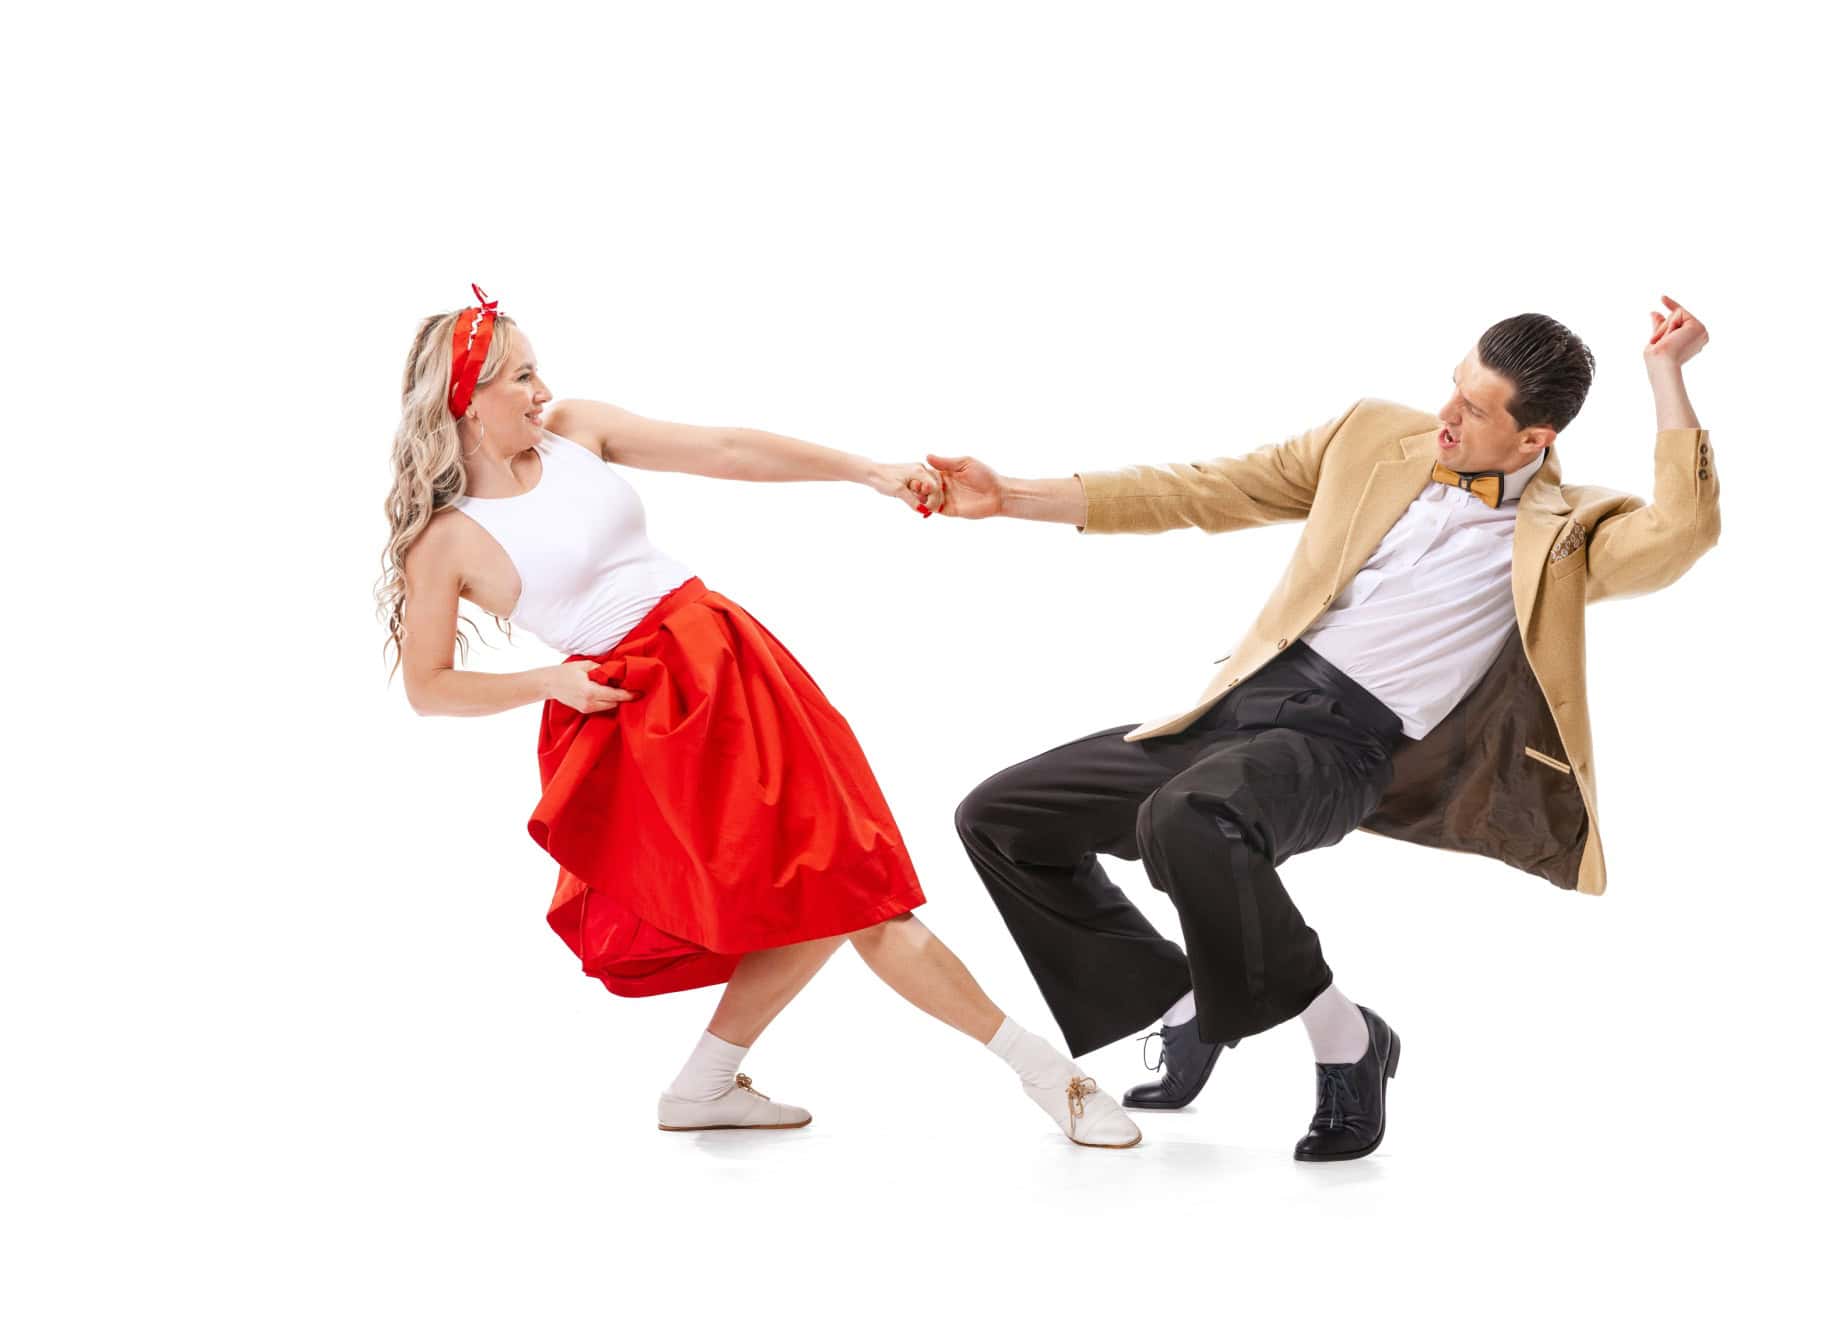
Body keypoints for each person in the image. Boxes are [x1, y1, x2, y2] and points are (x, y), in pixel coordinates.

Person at [935, 297, 1718, 1161]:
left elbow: (1682, 532)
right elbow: (1207, 488)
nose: (1445, 417)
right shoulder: (1375, 435)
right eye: (1452, 386)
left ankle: (1345, 1040)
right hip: (1237, 704)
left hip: (1345, 746)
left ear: (1535, 438)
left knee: (1189, 817)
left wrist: (1665, 375)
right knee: (1003, 818)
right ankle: (1188, 1005)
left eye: (1476, 408)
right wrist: (1008, 495)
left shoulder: (1571, 534)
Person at [375, 285, 1140, 1148]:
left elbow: (727, 449)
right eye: (521, 375)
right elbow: (428, 686)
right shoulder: (447, 539)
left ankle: (702, 1085)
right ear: (466, 399)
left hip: (729, 656)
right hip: (653, 714)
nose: (542, 387)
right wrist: (549, 681)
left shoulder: (577, 432)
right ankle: (1051, 1076)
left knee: (826, 888)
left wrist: (867, 470)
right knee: (857, 891)